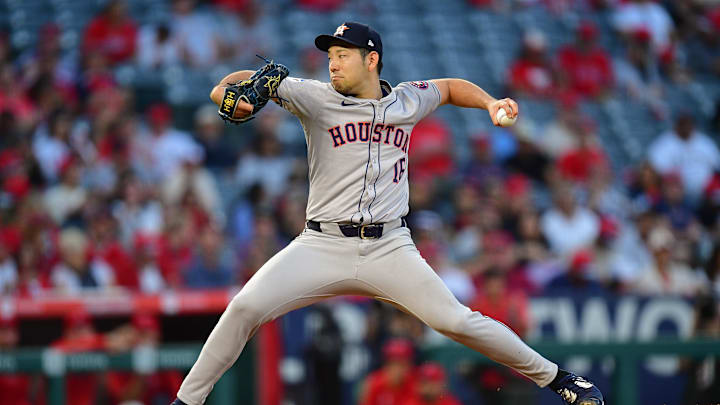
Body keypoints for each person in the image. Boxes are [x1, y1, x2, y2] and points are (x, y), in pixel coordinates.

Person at [171, 22, 604, 405]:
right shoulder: (315, 98)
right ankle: (187, 403)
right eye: (330, 56)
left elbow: (451, 87)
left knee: (456, 321)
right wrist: (229, 97)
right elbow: (232, 82)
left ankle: (560, 379)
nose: (333, 65)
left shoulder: (407, 100)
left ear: (371, 59)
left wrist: (490, 102)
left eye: (342, 56)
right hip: (321, 243)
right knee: (244, 307)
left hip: (390, 248)